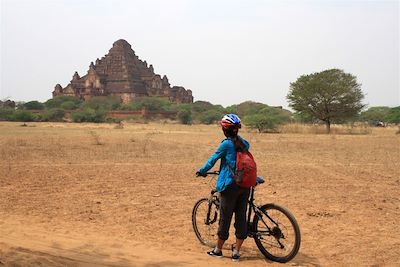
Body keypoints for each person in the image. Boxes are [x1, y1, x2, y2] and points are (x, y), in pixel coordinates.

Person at [196, 114, 250, 262]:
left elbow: (212, 160)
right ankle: (236, 252)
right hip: (245, 184)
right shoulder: (245, 143)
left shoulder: (226, 144)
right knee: (241, 217)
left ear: (224, 129)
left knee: (225, 218)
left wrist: (201, 170)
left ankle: (218, 250)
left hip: (229, 185)